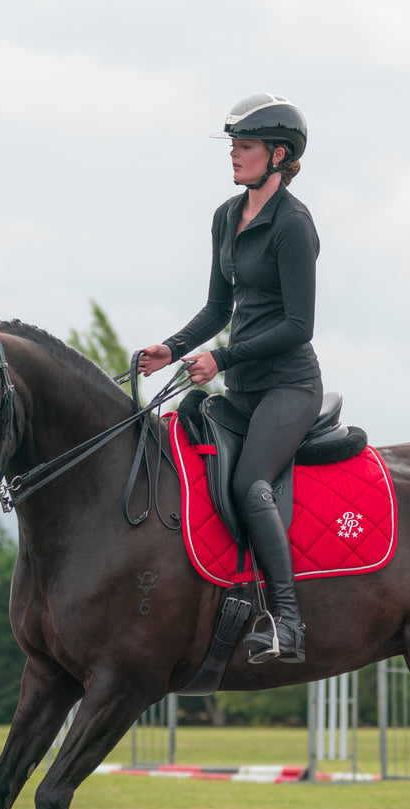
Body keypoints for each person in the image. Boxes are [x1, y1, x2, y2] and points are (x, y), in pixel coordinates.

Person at [138, 93, 321, 664]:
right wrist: (171, 348)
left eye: (245, 147)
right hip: (241, 389)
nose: (235, 156)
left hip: (288, 387)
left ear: (278, 154)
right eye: (235, 147)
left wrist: (222, 360)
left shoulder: (293, 226)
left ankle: (288, 622)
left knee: (249, 485)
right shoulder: (225, 216)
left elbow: (298, 325)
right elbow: (219, 309)